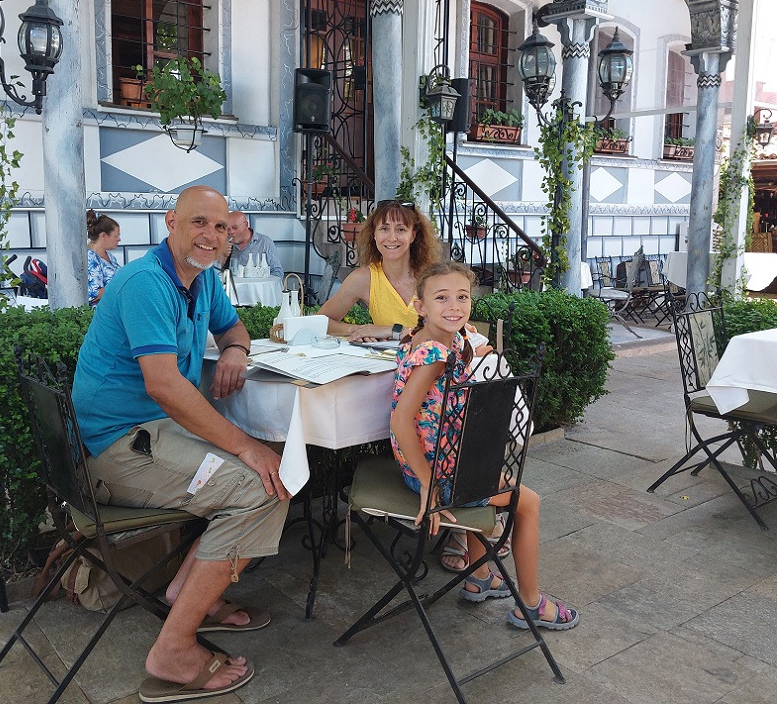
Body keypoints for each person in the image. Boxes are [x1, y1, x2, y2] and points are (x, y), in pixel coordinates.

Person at [72, 185, 290, 702]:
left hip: (154, 436)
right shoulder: (148, 282)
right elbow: (164, 386)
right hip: (117, 451)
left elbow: (234, 328)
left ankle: (183, 594)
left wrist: (234, 350)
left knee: (272, 472)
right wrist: (245, 446)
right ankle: (172, 647)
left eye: (219, 226)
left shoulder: (201, 279)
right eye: (198, 223)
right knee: (260, 486)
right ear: (170, 222)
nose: (210, 235)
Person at [390, 260, 579, 631]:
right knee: (528, 502)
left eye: (462, 297)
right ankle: (530, 603)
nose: (454, 307)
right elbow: (400, 420)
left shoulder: (433, 338)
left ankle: (481, 576)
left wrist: (467, 343)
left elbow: (458, 347)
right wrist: (428, 483)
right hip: (438, 475)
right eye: (441, 298)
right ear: (420, 305)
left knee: (492, 471)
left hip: (447, 462)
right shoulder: (434, 355)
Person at [318, 199, 443, 341]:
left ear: (413, 235)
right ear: (374, 234)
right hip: (385, 362)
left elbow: (447, 331)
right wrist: (359, 331)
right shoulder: (364, 278)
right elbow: (320, 321)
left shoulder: (433, 278)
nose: (392, 238)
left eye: (401, 229)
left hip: (431, 361)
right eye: (384, 229)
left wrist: (391, 331)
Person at [225, 211, 284, 278]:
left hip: (258, 288)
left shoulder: (265, 243)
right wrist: (221, 257)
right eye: (228, 229)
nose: (231, 232)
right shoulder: (223, 244)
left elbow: (277, 273)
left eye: (235, 227)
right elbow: (215, 275)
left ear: (246, 225)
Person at [87, 210, 121, 305]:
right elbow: (92, 294)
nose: (119, 239)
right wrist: (121, 284)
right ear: (103, 236)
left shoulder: (110, 257)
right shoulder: (90, 257)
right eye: (116, 236)